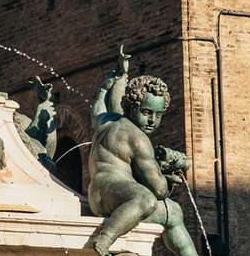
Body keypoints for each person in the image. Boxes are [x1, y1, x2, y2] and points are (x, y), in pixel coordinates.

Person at [83, 50, 195, 256]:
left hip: (99, 193)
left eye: (158, 115)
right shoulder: (138, 139)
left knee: (174, 212)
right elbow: (159, 190)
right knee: (147, 200)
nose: (152, 120)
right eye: (146, 113)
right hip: (116, 197)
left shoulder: (108, 120)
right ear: (131, 108)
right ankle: (106, 236)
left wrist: (105, 88)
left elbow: (96, 111)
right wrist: (171, 172)